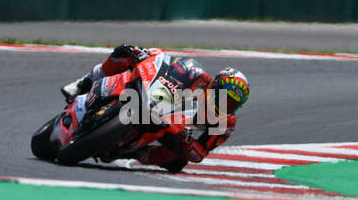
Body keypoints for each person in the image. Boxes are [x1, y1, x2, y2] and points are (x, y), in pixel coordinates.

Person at [61, 45, 249, 173]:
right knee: (124, 52)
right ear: (214, 86)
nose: (224, 103)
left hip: (175, 128)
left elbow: (199, 154)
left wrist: (189, 141)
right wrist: (145, 55)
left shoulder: (225, 123)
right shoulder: (197, 75)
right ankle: (82, 83)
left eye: (231, 104)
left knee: (178, 162)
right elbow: (166, 64)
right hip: (161, 100)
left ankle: (135, 153)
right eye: (222, 96)